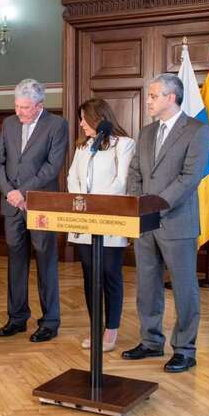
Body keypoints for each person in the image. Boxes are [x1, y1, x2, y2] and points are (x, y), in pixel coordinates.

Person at [123, 73, 209, 373]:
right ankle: (150, 341)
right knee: (147, 285)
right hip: (145, 223)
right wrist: (138, 204)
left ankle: (185, 349)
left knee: (185, 288)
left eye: (153, 96)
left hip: (177, 222)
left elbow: (190, 177)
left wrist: (156, 204)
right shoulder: (146, 132)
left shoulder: (196, 130)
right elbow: (135, 172)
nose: (148, 100)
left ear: (171, 98)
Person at [0, 79, 68, 342]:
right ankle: (17, 318)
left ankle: (49, 321)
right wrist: (10, 193)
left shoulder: (57, 125)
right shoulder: (9, 124)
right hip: (12, 204)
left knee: (46, 261)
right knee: (15, 262)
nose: (19, 112)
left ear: (39, 105)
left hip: (41, 204)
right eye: (17, 106)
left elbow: (52, 166)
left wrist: (23, 192)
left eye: (25, 107)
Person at [66, 98, 135, 352]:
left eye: (85, 118)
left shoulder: (123, 144)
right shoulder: (83, 147)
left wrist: (97, 204)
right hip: (84, 220)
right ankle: (96, 325)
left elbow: (122, 181)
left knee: (110, 275)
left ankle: (111, 329)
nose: (81, 123)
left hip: (110, 220)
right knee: (89, 275)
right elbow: (72, 176)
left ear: (99, 117)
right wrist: (81, 201)